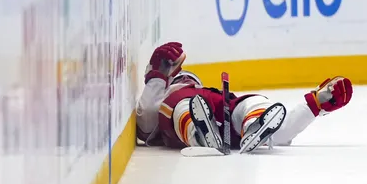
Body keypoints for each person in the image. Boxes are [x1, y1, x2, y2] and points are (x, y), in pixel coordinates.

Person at [136, 42, 353, 153]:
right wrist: (156, 77)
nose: (187, 82)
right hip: (186, 110)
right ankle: (197, 131)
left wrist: (315, 103)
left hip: (215, 107)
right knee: (182, 107)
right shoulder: (168, 98)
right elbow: (145, 121)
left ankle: (254, 123)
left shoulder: (201, 93)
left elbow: (281, 134)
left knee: (249, 103)